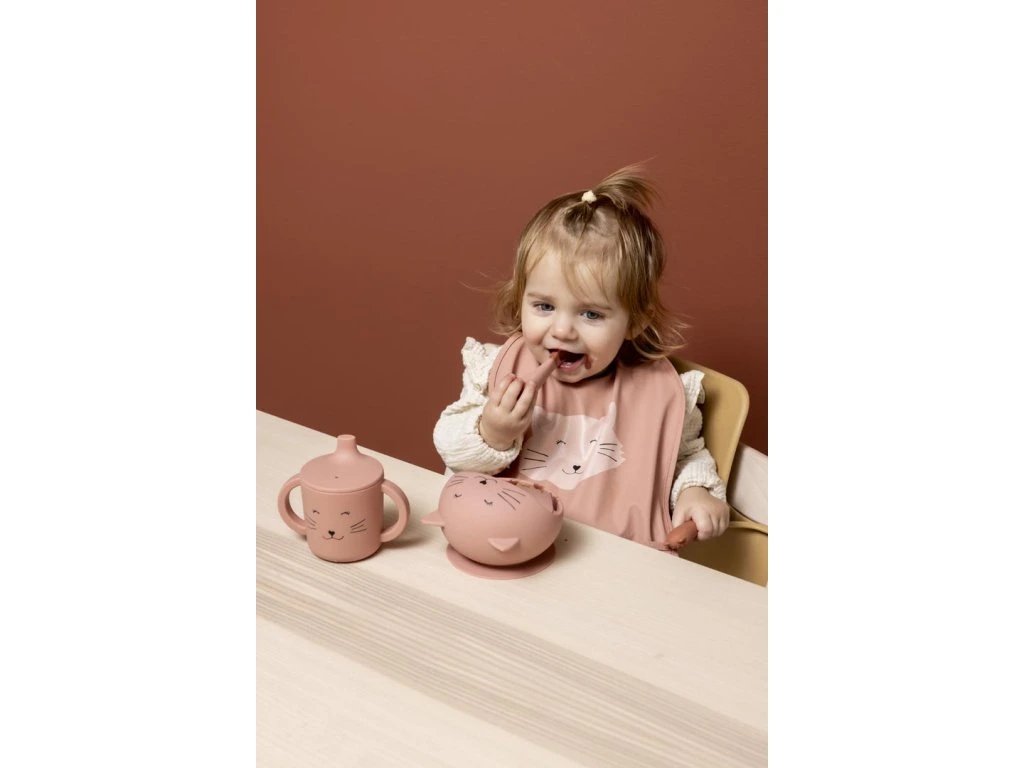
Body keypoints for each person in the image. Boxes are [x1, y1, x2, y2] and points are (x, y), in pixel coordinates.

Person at [432, 165, 730, 550]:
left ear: (635, 321)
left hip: (616, 568)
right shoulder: (496, 369)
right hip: (500, 546)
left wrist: (695, 491)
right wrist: (493, 431)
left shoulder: (662, 393)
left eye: (590, 314)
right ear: (520, 299)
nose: (563, 330)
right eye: (544, 306)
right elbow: (452, 451)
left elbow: (684, 455)